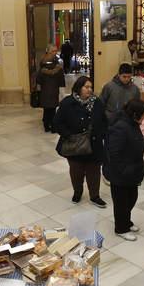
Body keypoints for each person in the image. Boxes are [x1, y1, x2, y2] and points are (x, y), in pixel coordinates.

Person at [53, 75, 108, 208]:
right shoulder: (67, 103)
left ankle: (95, 196)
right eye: (86, 87)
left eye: (91, 87)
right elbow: (57, 122)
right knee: (76, 171)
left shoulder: (97, 102)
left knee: (94, 172)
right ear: (79, 88)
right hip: (74, 144)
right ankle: (77, 192)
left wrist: (101, 134)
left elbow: (104, 121)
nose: (90, 90)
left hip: (94, 144)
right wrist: (69, 135)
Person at [104, 99, 144, 241]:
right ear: (135, 114)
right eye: (143, 114)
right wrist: (124, 170)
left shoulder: (131, 123)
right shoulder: (120, 127)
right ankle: (121, 229)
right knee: (121, 202)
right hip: (121, 173)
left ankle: (127, 222)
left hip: (131, 170)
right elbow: (114, 153)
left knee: (131, 198)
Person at [35, 46, 65, 133]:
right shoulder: (55, 64)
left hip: (47, 89)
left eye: (56, 50)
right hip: (52, 88)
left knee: (48, 108)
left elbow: (39, 79)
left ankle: (47, 125)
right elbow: (60, 77)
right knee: (51, 109)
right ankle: (52, 126)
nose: (56, 52)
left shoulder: (44, 63)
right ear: (49, 51)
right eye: (54, 51)